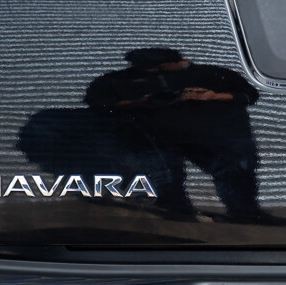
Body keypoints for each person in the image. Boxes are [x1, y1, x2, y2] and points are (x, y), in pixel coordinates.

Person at [84, 47, 268, 222]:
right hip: (156, 137)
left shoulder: (213, 74)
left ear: (174, 63)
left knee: (236, 173)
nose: (151, 72)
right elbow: (99, 105)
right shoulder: (117, 80)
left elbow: (249, 96)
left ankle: (246, 213)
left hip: (216, 136)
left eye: (156, 68)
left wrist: (213, 96)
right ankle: (179, 213)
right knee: (166, 177)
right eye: (144, 68)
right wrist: (137, 102)